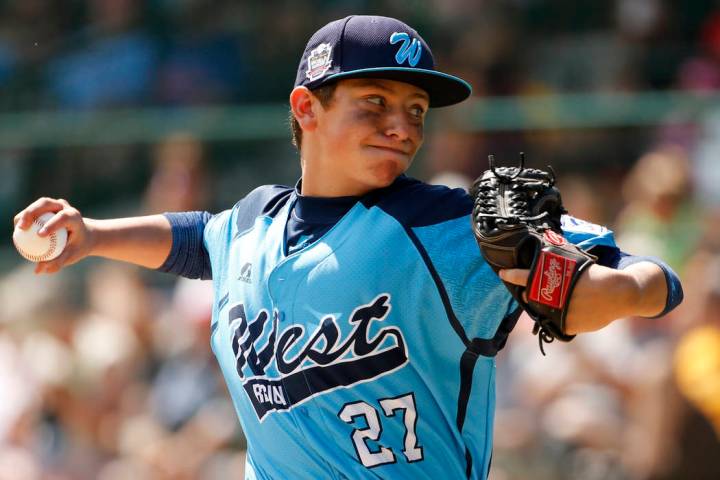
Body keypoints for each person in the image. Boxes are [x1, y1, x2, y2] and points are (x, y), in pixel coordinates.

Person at [14, 15, 683, 480]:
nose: (401, 126)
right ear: (306, 108)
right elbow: (196, 241)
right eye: (375, 101)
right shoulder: (251, 223)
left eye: (416, 110)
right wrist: (94, 235)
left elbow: (649, 284)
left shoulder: (443, 224)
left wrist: (554, 277)